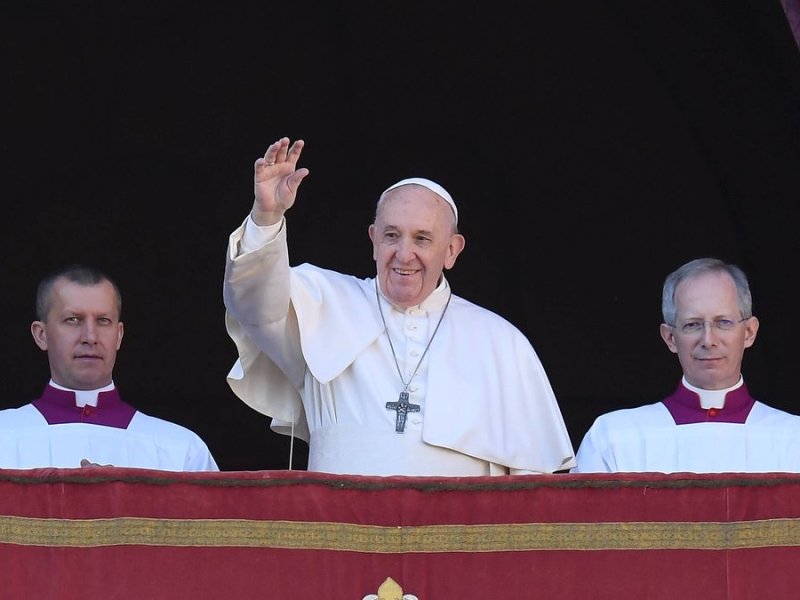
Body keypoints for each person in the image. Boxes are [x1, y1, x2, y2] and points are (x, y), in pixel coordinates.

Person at [223, 136, 575, 476]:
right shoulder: (321, 303)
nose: (404, 255)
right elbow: (254, 302)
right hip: (340, 532)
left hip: (456, 536)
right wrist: (266, 216)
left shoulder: (501, 343)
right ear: (374, 240)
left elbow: (535, 488)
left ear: (452, 250)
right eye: (392, 236)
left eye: (422, 238)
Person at [573, 257, 800, 473]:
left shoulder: (792, 437)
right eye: (693, 325)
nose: (709, 340)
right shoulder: (615, 437)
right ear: (670, 337)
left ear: (749, 332)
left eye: (724, 322)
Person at [0, 264, 219, 471]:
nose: (90, 337)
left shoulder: (182, 450)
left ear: (119, 335)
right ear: (41, 335)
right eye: (73, 320)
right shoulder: (5, 436)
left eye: (103, 321)